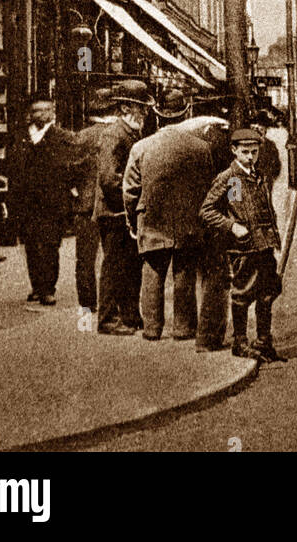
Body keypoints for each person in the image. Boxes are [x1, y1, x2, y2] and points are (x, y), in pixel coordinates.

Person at [122, 109, 216, 342]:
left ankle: (152, 328)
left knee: (152, 272)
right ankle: (183, 327)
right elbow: (209, 186)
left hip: (152, 219)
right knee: (184, 272)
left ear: (158, 116)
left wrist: (132, 220)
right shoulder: (201, 148)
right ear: (185, 114)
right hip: (189, 220)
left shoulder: (141, 147)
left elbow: (130, 190)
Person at [200, 128, 286, 362]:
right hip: (244, 248)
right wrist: (232, 226)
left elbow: (262, 207)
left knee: (267, 293)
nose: (250, 157)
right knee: (242, 294)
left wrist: (274, 237)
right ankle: (240, 342)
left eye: (254, 152)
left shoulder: (259, 175)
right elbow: (207, 210)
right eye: (245, 152)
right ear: (234, 150)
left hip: (264, 244)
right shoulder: (230, 177)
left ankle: (264, 342)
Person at [94, 81, 150, 335]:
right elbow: (109, 179)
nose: (145, 112)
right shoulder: (114, 135)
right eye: (141, 107)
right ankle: (107, 319)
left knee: (130, 266)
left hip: (123, 212)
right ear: (125, 107)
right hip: (114, 212)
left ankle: (129, 314)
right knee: (114, 266)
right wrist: (130, 201)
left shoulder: (131, 133)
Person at [12, 99, 75, 307]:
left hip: (53, 202)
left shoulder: (62, 137)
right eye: (36, 110)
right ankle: (37, 286)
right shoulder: (21, 137)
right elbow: (14, 169)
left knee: (50, 245)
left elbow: (69, 169)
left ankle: (48, 288)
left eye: (45, 110)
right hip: (27, 201)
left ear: (52, 112)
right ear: (30, 114)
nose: (41, 114)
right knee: (31, 245)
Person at [69, 89, 116, 315]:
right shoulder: (118, 133)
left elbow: (70, 169)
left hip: (85, 204)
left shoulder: (82, 136)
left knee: (85, 259)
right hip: (112, 203)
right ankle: (112, 305)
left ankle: (87, 305)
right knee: (113, 257)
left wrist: (76, 191)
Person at [251, 113, 282, 194]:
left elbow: (276, 165)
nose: (259, 132)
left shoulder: (270, 145)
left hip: (266, 182)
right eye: (255, 129)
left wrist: (269, 177)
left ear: (265, 131)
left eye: (261, 129)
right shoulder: (249, 146)